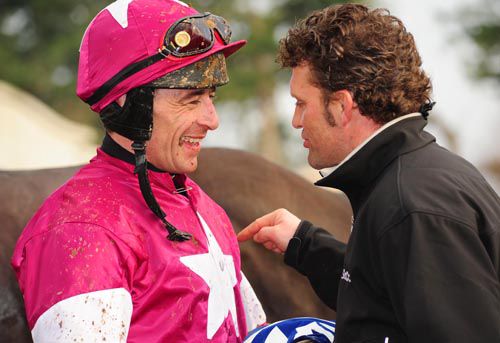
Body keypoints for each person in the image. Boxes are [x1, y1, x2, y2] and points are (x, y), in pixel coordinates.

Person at [238, 4, 500, 343]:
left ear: (342, 106)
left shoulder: (412, 207)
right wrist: (307, 246)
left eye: (302, 103)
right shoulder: (409, 181)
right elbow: (385, 300)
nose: (295, 120)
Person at [11, 0, 266, 341]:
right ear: (128, 105)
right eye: (190, 99)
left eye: (211, 97)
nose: (212, 120)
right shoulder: (80, 229)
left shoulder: (202, 205)